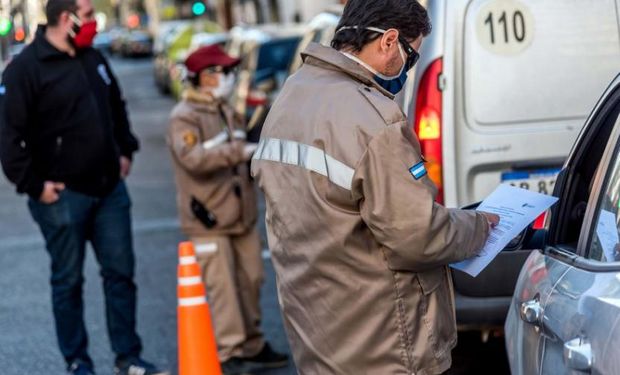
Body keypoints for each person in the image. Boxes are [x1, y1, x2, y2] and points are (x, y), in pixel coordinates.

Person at [251, 0, 500, 374]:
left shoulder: (291, 96)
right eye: (411, 57)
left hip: (315, 333)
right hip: (383, 344)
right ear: (389, 41)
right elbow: (418, 236)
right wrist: (479, 225)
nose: (408, 70)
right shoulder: (375, 119)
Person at [0, 1, 167, 374]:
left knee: (120, 275)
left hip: (110, 191)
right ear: (66, 18)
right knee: (68, 281)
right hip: (60, 198)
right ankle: (78, 361)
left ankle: (128, 357)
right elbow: (9, 139)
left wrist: (126, 149)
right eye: (89, 15)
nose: (94, 23)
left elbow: (115, 105)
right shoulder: (26, 69)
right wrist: (35, 186)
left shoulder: (92, 57)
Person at [167, 44, 289, 375]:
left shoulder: (225, 109)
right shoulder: (185, 116)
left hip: (240, 216)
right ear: (202, 77)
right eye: (222, 73)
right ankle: (230, 350)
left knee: (251, 278)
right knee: (222, 289)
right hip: (208, 218)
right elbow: (193, 160)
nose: (229, 79)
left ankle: (252, 343)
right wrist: (239, 151)